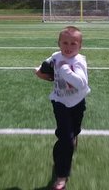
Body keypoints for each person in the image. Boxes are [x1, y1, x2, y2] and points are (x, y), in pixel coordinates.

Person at [35, 25, 90, 190]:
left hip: (78, 102)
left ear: (80, 46)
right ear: (59, 44)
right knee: (65, 138)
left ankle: (73, 137)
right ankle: (61, 174)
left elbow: (81, 84)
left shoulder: (78, 62)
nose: (68, 47)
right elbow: (45, 68)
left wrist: (65, 70)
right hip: (60, 102)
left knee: (74, 131)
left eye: (73, 44)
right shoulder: (56, 57)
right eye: (64, 43)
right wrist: (40, 72)